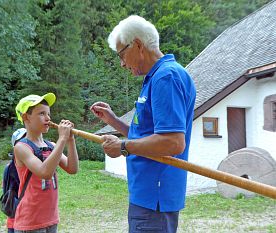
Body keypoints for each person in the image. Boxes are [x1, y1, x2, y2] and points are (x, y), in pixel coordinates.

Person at [90, 15, 196, 233]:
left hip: (154, 198)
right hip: (148, 196)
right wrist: (113, 121)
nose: (121, 63)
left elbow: (173, 142)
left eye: (121, 54)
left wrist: (122, 147)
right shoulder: (157, 77)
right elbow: (146, 136)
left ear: (137, 45)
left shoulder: (166, 78)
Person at [13, 93, 79, 233]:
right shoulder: (21, 147)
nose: (48, 118)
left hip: (51, 218)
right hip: (30, 222)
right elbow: (45, 173)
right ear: (26, 117)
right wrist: (62, 139)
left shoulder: (51, 145)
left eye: (48, 113)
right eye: (41, 113)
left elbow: (72, 168)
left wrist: (70, 140)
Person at [6, 128, 27, 233]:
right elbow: (7, 191)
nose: (26, 143)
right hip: (17, 217)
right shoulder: (11, 167)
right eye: (22, 140)